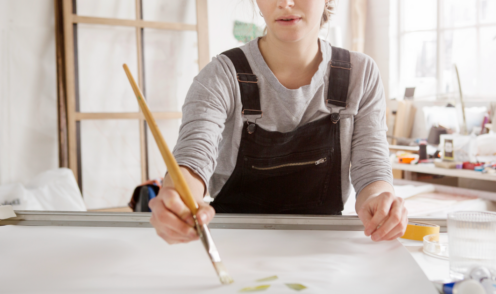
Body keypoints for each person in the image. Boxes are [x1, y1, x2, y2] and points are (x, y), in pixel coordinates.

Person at [149, 0, 407, 245]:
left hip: (324, 248)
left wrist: (379, 201)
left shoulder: (360, 74)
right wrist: (178, 199)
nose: (284, 2)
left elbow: (371, 169)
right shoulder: (221, 74)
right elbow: (193, 156)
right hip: (233, 245)